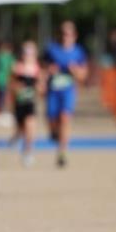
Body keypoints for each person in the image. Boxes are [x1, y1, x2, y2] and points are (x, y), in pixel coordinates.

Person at [43, 21, 88, 167]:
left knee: (65, 118)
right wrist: (49, 70)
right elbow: (41, 68)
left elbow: (83, 75)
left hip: (68, 91)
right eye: (63, 34)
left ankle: (61, 153)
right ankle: (54, 133)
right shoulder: (52, 50)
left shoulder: (78, 52)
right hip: (53, 92)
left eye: (68, 34)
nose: (65, 37)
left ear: (74, 36)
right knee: (52, 122)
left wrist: (75, 70)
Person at [10, 40, 42, 166]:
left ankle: (28, 152)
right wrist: (17, 88)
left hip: (30, 103)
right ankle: (16, 137)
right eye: (25, 52)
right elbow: (11, 85)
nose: (28, 55)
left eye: (30, 52)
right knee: (21, 128)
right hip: (19, 103)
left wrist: (38, 88)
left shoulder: (37, 69)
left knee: (30, 126)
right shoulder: (16, 67)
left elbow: (41, 87)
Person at [0, 40, 15, 114]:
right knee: (2, 95)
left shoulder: (4, 57)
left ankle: (3, 109)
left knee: (4, 95)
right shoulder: (2, 57)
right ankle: (1, 109)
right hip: (2, 79)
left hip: (5, 79)